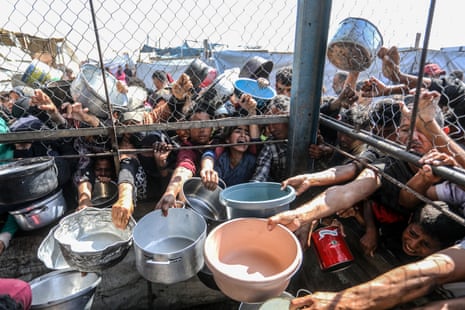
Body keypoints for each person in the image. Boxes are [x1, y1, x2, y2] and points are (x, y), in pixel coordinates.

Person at [250, 95, 290, 183]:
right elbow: (261, 173)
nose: (271, 129)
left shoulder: (310, 133)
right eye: (268, 124)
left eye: (275, 122)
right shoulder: (271, 144)